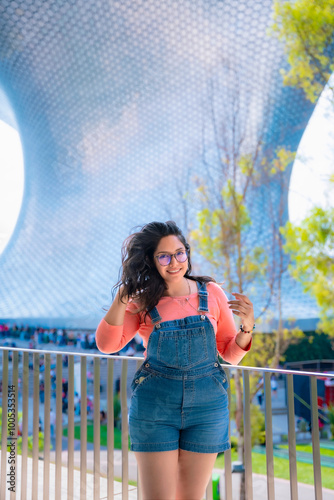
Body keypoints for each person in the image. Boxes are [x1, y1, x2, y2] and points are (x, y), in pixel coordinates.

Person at [96, 221, 254, 500]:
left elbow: (229, 355)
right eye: (164, 256)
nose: (174, 262)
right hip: (156, 407)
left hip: (207, 408)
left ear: (188, 254)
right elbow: (108, 345)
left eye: (180, 253)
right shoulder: (143, 301)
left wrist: (248, 327)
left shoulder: (212, 293)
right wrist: (121, 299)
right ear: (151, 261)